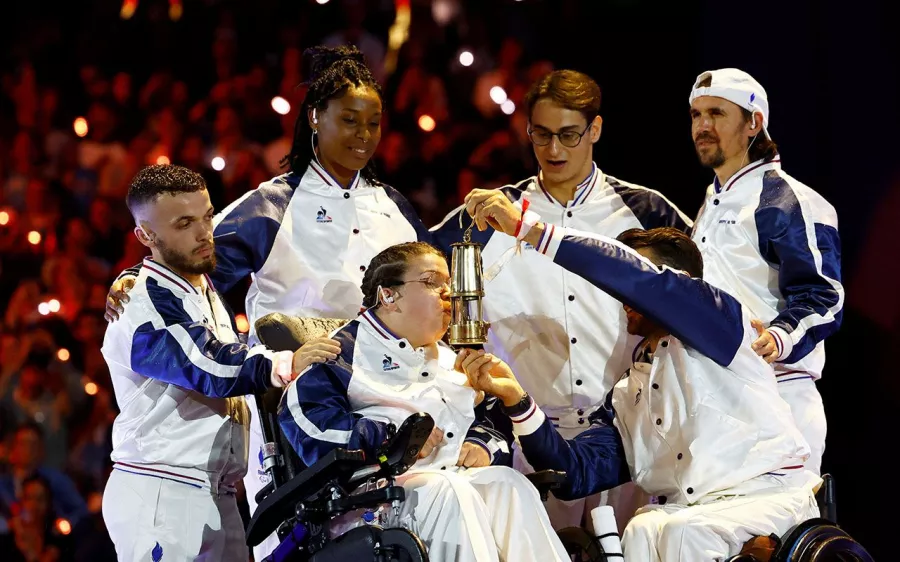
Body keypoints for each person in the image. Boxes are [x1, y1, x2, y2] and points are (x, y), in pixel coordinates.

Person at [104, 45, 432, 559]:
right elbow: (187, 267)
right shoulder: (270, 207)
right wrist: (130, 277)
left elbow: (433, 286)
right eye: (349, 120)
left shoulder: (394, 206)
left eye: (374, 122)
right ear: (315, 118)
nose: (363, 135)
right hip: (291, 414)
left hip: (386, 398)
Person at [458, 195, 819, 561]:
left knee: (680, 533)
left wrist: (528, 229)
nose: (622, 296)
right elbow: (573, 472)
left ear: (681, 285)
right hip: (691, 512)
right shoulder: (627, 391)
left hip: (766, 497)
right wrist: (517, 400)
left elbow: (640, 281)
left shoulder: (720, 322)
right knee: (643, 527)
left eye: (634, 283)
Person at [431, 69, 692, 532]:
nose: (553, 150)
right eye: (541, 134)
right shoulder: (488, 214)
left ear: (595, 129)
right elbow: (410, 277)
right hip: (526, 438)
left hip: (627, 436)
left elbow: (697, 299)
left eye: (568, 135)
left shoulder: (646, 210)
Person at [279, 241, 569, 562]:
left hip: (446, 485)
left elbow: (489, 424)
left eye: (449, 284)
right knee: (449, 491)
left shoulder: (451, 358)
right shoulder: (342, 352)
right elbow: (305, 423)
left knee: (508, 484)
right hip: (367, 501)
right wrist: (391, 436)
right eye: (432, 282)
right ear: (389, 296)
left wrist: (481, 444)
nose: (449, 294)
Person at [100, 164, 305, 561]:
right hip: (163, 491)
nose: (203, 233)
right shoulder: (141, 304)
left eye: (208, 216)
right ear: (145, 236)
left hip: (214, 490)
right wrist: (284, 363)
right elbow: (206, 365)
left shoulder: (201, 285)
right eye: (184, 223)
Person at [688, 68, 842, 474]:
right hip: (717, 399)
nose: (702, 126)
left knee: (776, 537)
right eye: (695, 115)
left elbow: (824, 295)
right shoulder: (711, 202)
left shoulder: (789, 199)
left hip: (779, 396)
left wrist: (779, 335)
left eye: (716, 113)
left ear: (754, 123)